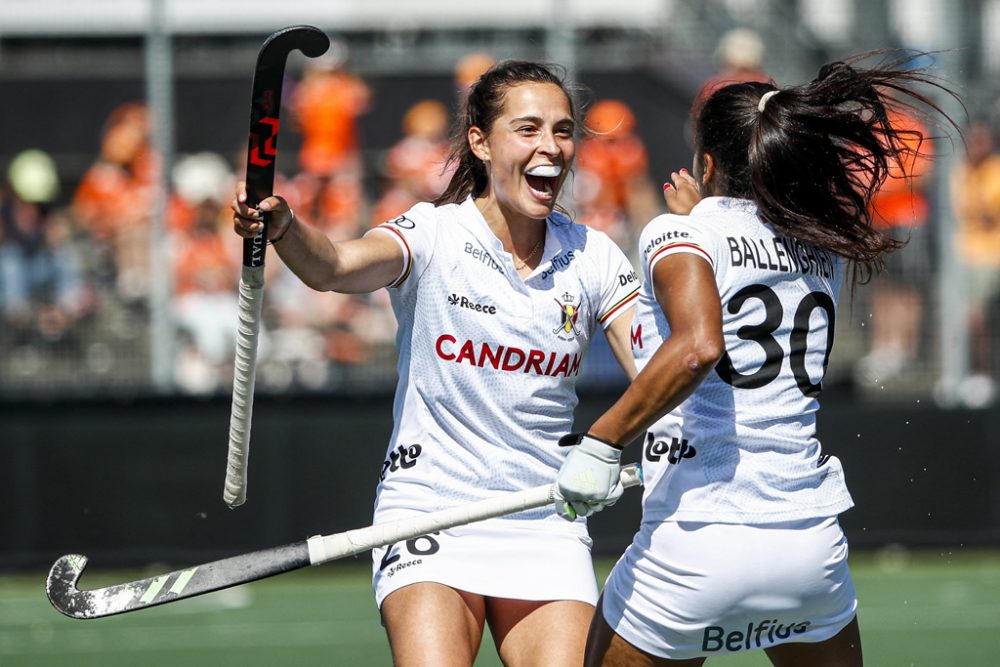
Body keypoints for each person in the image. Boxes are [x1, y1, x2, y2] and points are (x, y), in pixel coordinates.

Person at [232, 60, 640, 667]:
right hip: (428, 509)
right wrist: (286, 227)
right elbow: (334, 268)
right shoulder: (432, 234)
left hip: (543, 518)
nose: (550, 147)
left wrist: (619, 441)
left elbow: (660, 368)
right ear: (480, 141)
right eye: (527, 129)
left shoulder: (595, 257)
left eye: (562, 130)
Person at [553, 53, 958, 665]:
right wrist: (706, 211)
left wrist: (601, 442)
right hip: (808, 547)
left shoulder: (678, 232)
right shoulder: (826, 244)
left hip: (697, 540)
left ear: (708, 164)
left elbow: (698, 347)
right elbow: (754, 254)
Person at [950, 119, 1000, 405]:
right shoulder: (960, 172)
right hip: (962, 255)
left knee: (977, 318)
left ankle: (980, 373)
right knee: (958, 316)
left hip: (988, 256)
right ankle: (961, 372)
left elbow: (987, 215)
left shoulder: (994, 172)